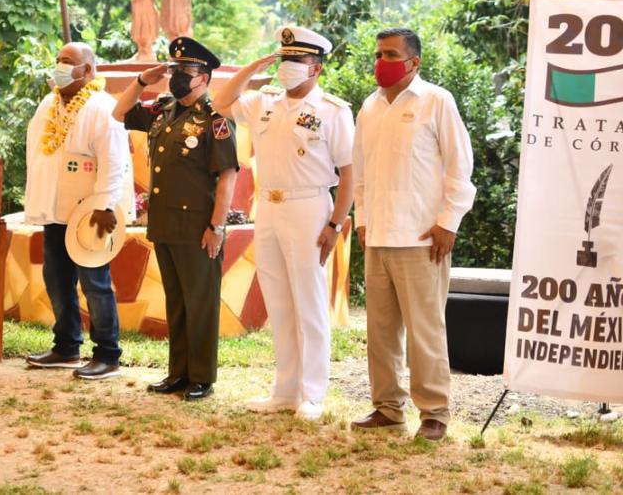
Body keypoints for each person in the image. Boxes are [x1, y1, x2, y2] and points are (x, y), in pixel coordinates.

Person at [214, 26, 354, 421]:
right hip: (269, 207)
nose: (289, 68)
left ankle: (313, 393)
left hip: (309, 207)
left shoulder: (332, 110)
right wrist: (253, 67)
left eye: (298, 62)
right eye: (285, 60)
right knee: (278, 300)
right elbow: (222, 102)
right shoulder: (264, 101)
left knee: (308, 302)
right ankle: (285, 389)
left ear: (317, 69)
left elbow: (349, 173)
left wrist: (335, 224)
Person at [351, 28, 476, 441]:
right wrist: (363, 220)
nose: (380, 62)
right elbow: (362, 172)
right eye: (378, 53)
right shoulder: (369, 107)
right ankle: (387, 407)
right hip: (379, 235)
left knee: (425, 330)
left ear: (414, 62)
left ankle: (434, 412)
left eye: (390, 54)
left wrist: (448, 222)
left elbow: (460, 166)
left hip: (423, 237)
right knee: (381, 331)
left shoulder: (436, 101)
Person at [113, 36, 238, 400]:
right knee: (177, 302)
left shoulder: (216, 119)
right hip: (166, 223)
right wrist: (141, 82)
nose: (178, 76)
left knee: (200, 302)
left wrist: (217, 226)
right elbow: (119, 113)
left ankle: (202, 377)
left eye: (186, 70)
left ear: (205, 77)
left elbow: (228, 175)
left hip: (198, 226)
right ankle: (178, 373)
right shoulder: (164, 109)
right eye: (174, 69)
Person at [23, 42, 131, 381]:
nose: (59, 66)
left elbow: (115, 161)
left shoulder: (103, 107)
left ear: (88, 70)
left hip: (90, 213)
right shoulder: (48, 103)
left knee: (95, 283)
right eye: (57, 60)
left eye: (68, 61)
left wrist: (104, 205)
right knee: (56, 281)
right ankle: (67, 346)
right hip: (55, 210)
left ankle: (107, 354)